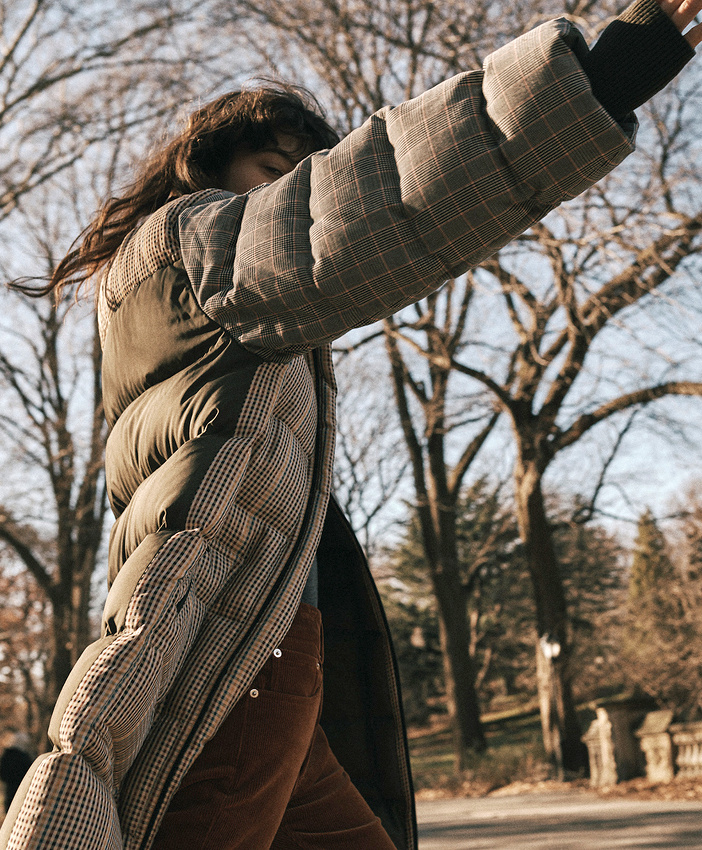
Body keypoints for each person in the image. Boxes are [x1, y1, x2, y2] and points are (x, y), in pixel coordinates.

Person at [0, 0, 699, 848]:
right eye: (271, 166)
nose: (291, 187)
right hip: (239, 663)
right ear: (208, 170)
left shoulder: (193, 306)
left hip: (263, 657)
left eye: (306, 171)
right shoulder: (193, 245)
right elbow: (386, 197)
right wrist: (603, 73)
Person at [0, 734, 33, 813]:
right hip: (21, 789)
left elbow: (2, 773)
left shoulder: (6, 755)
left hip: (9, 789)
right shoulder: (25, 757)